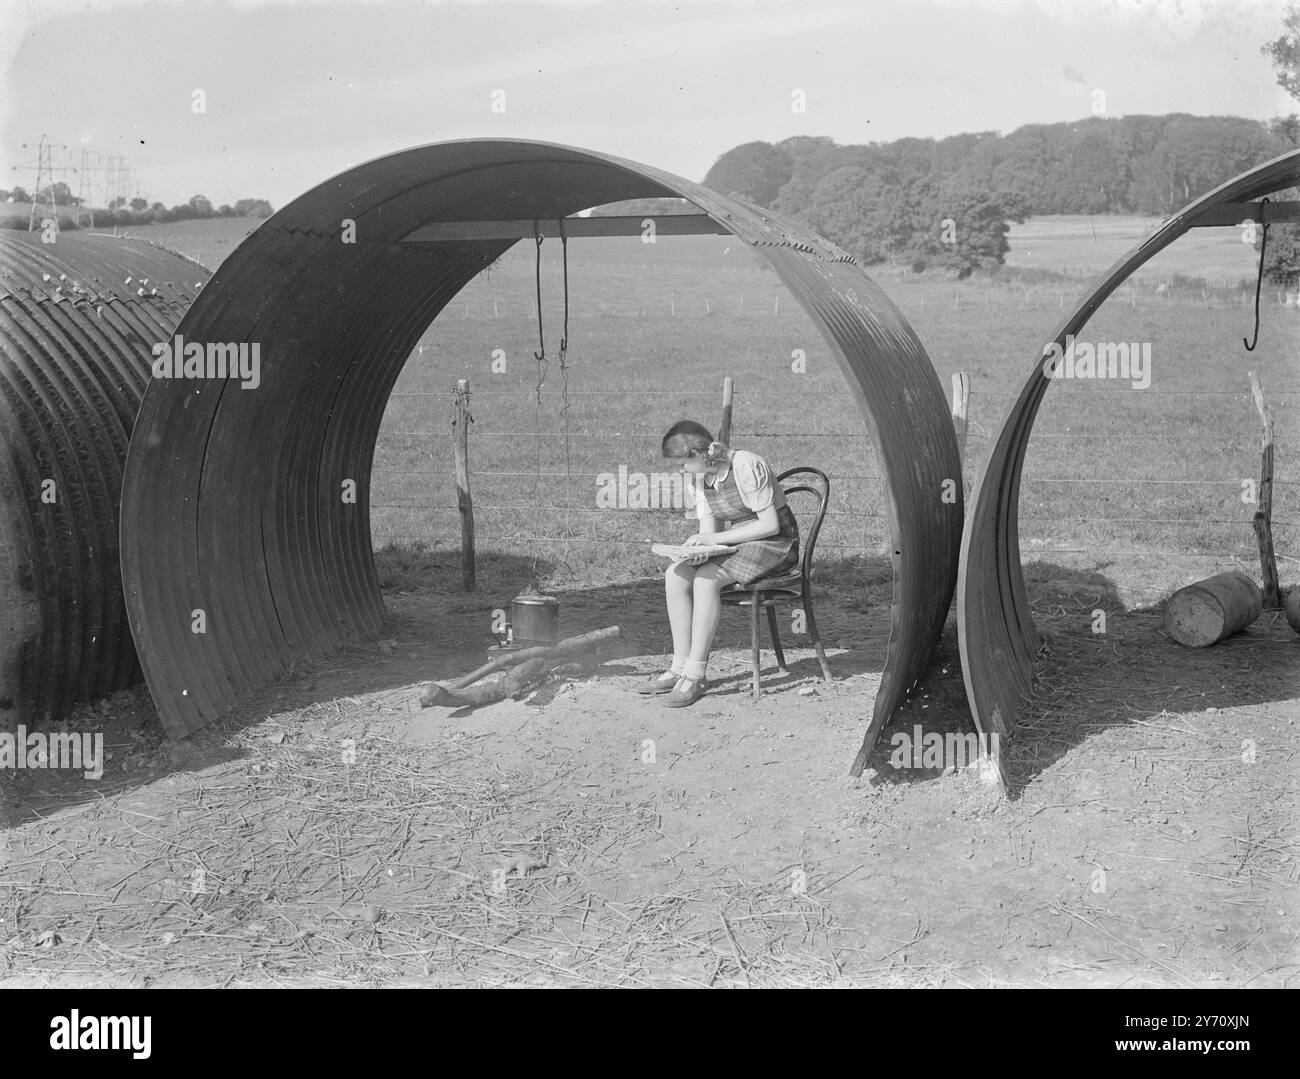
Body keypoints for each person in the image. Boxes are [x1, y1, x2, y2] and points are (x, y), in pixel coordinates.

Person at [639, 419, 799, 707]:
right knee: (676, 574)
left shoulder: (746, 465)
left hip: (776, 544)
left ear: (699, 455)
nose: (680, 470)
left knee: (706, 579)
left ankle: (696, 674)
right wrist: (703, 548)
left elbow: (770, 525)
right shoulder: (700, 479)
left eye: (682, 463)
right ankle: (679, 666)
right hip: (737, 541)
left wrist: (719, 542)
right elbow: (710, 530)